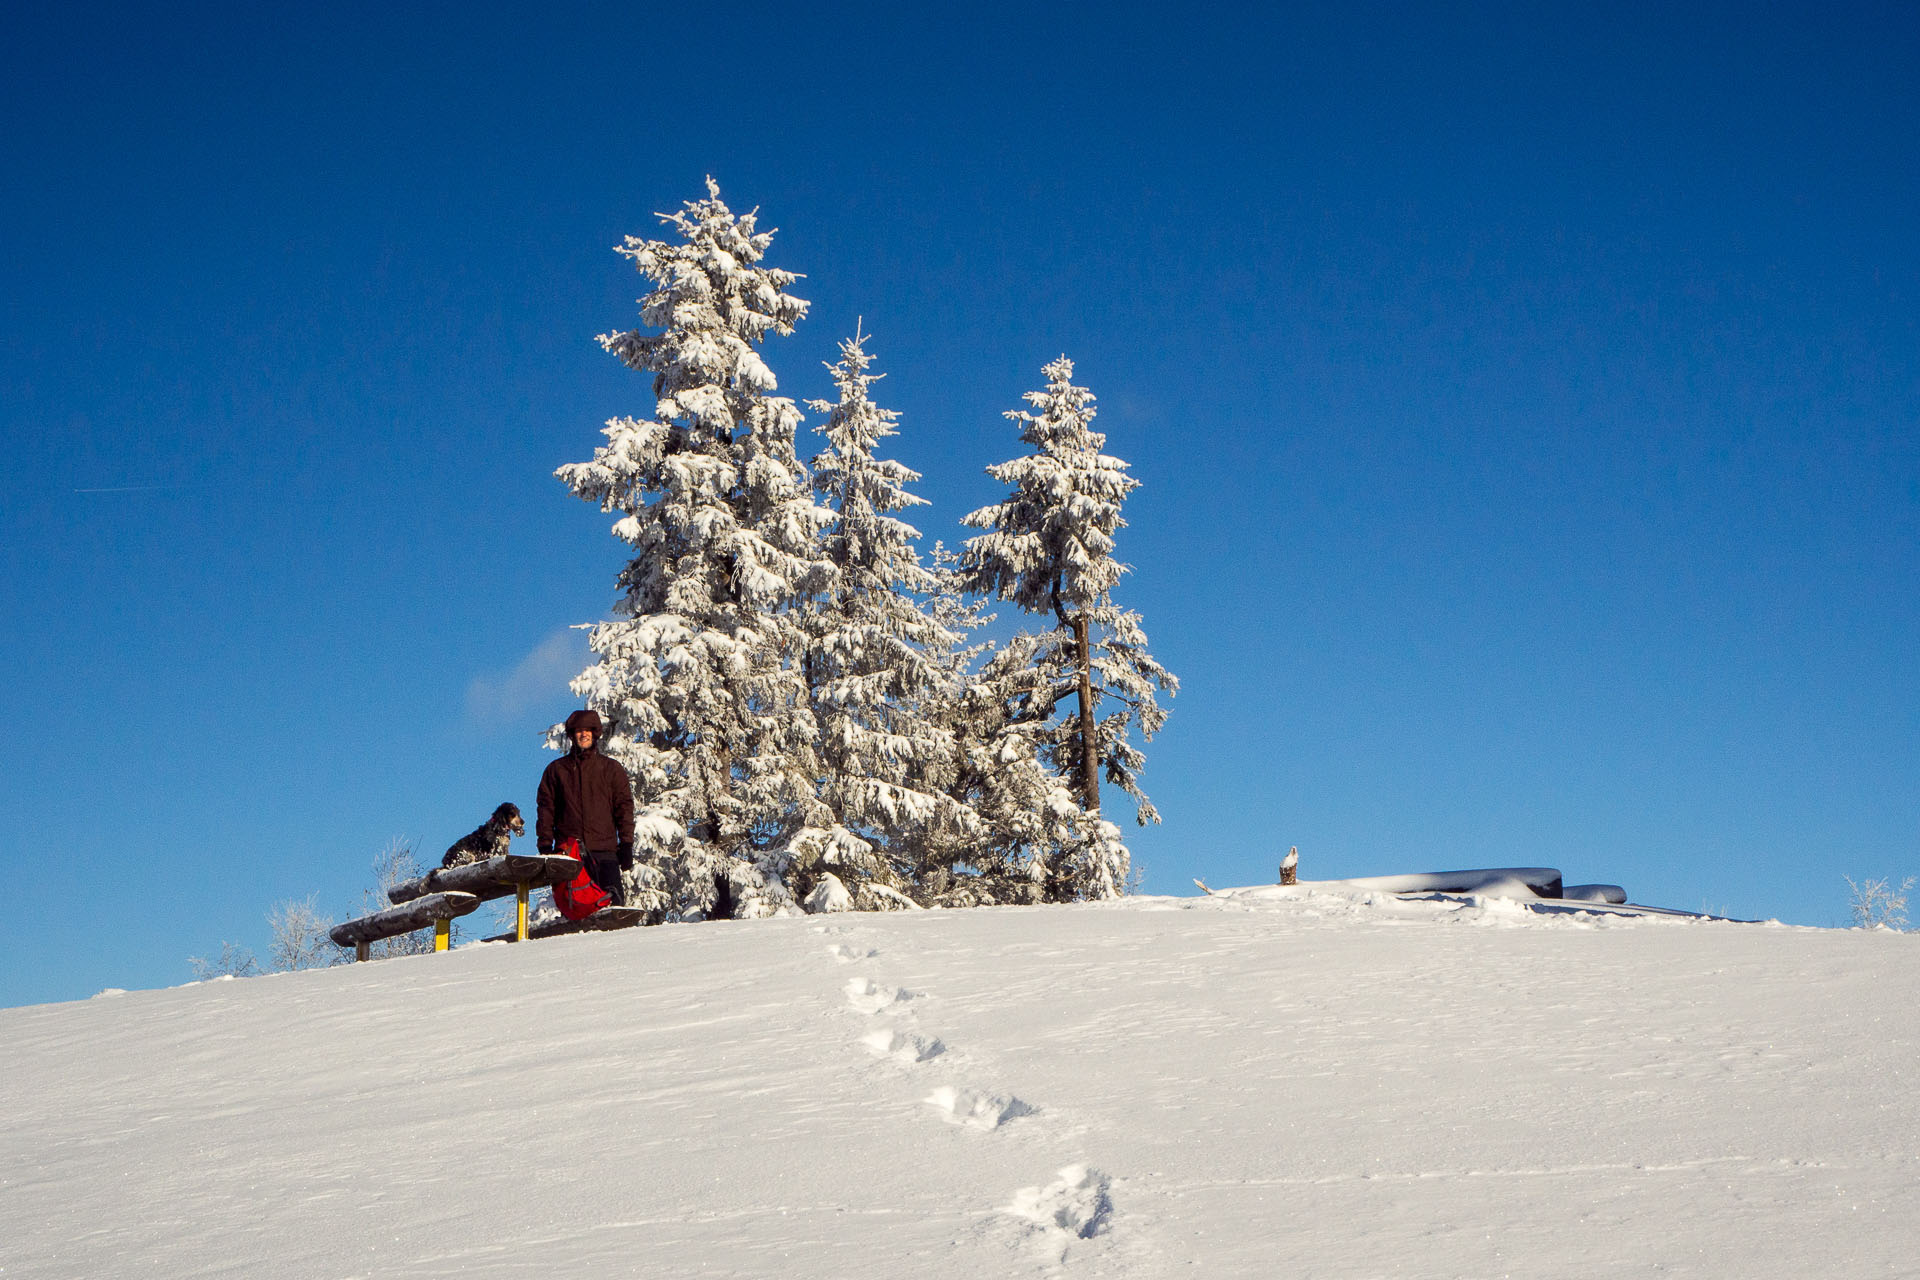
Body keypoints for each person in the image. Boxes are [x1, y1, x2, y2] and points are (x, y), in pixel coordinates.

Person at [536, 709, 636, 907]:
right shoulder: (556, 771)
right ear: (572, 735)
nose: (583, 734)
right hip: (569, 854)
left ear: (595, 733)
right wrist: (545, 846)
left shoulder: (611, 769)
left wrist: (626, 844)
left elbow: (624, 808)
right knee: (577, 914)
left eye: (588, 730)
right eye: (579, 731)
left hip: (605, 853)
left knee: (614, 912)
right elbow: (546, 810)